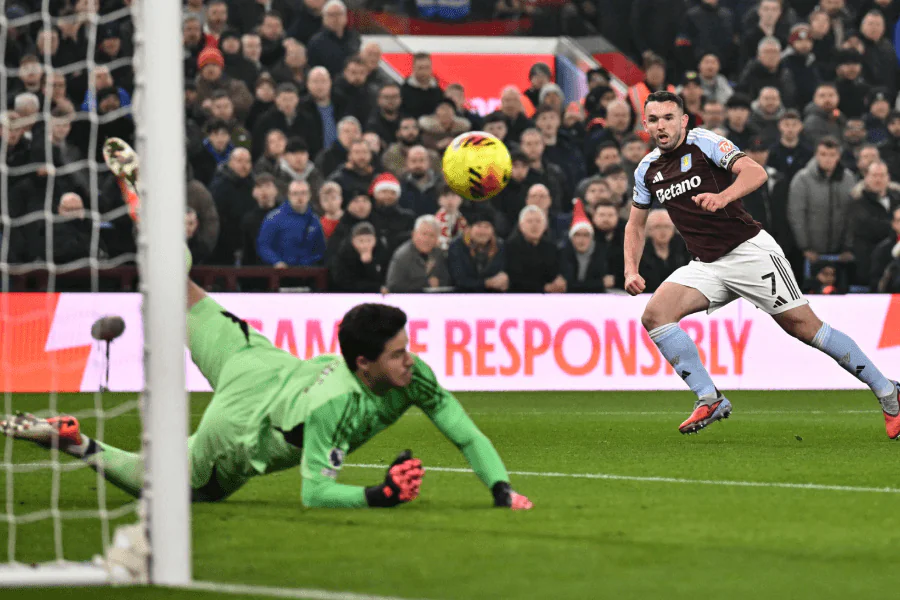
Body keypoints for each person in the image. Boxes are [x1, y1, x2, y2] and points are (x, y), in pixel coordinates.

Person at [5, 144, 532, 510]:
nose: (410, 360)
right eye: (398, 355)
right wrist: (379, 495)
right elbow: (315, 493)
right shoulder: (335, 405)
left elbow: (466, 434)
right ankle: (77, 444)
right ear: (363, 364)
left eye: (407, 349)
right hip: (240, 426)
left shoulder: (410, 376)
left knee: (178, 288)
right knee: (172, 489)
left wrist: (501, 489)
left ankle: (152, 212)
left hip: (255, 357)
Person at [626, 90, 899, 437]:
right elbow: (635, 223)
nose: (661, 126)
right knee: (655, 316)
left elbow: (755, 173)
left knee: (805, 328)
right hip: (707, 263)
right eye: (653, 119)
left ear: (683, 120)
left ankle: (889, 392)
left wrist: (722, 196)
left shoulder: (705, 143)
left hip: (748, 252)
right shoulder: (647, 168)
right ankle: (709, 398)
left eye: (668, 118)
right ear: (645, 124)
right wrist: (630, 269)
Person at [787, 137, 857, 268]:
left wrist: (848, 247)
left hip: (841, 253)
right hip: (811, 254)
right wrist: (805, 247)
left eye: (832, 155)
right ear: (816, 155)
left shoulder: (848, 179)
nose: (828, 159)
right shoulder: (802, 179)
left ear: (838, 156)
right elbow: (796, 215)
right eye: (823, 154)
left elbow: (852, 214)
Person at [848, 161, 900, 285]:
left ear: (888, 178)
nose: (878, 179)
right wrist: (894, 227)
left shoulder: (896, 198)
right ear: (866, 177)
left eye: (882, 175)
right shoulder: (858, 202)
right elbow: (871, 227)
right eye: (874, 175)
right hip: (869, 263)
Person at [257, 180, 326, 267]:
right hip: (281, 273)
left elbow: (320, 250)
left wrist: (310, 263)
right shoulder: (274, 218)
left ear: (309, 195)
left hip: (308, 273)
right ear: (289, 195)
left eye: (303, 193)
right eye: (295, 193)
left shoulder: (314, 220)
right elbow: (264, 245)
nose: (299, 197)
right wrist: (276, 261)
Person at [505, 206, 566, 293]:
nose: (534, 225)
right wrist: (543, 288)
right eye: (529, 221)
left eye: (538, 221)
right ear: (520, 226)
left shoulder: (552, 248)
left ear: (545, 226)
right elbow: (514, 280)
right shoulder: (510, 248)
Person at [447, 208, 509, 293]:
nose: (482, 231)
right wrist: (486, 283)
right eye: (479, 226)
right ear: (470, 229)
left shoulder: (500, 246)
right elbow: (460, 280)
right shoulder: (457, 246)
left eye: (487, 227)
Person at [385, 215, 451, 292]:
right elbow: (393, 286)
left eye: (432, 235)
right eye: (424, 234)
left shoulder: (438, 254)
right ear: (414, 234)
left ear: (437, 239)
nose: (427, 239)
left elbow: (447, 280)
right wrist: (426, 283)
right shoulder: (402, 256)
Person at [560, 200, 609, 293]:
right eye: (577, 235)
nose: (581, 239)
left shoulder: (602, 253)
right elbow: (565, 285)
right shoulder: (562, 253)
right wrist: (599, 284)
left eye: (586, 235)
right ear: (571, 237)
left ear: (591, 237)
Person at [638, 209, 690, 292]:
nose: (663, 231)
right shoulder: (640, 252)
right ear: (648, 230)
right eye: (657, 227)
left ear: (673, 229)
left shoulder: (685, 248)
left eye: (667, 226)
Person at [330, 222, 388, 291]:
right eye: (361, 241)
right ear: (353, 241)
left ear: (375, 241)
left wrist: (370, 264)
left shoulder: (381, 252)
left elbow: (385, 278)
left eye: (369, 240)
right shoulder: (343, 254)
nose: (365, 245)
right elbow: (342, 282)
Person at [241, 173, 280, 266]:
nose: (264, 191)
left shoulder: (285, 215)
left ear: (276, 190)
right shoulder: (248, 219)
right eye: (259, 187)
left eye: (268, 186)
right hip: (256, 271)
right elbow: (247, 252)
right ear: (253, 192)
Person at [401, 52, 444, 119]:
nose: (424, 71)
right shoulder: (403, 91)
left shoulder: (439, 91)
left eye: (427, 68)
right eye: (420, 68)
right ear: (413, 68)